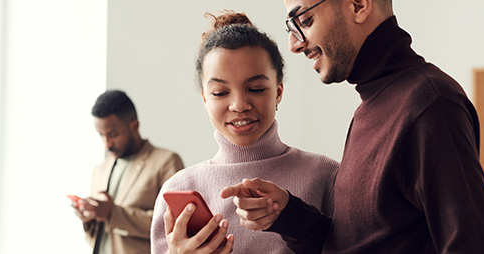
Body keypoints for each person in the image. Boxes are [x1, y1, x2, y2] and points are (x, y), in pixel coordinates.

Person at [220, 0, 484, 252]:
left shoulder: (430, 104)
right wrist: (286, 213)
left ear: (358, 4)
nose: (295, 44)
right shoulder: (370, 108)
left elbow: (476, 246)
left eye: (305, 21)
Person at [149, 11, 339, 254]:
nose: (239, 105)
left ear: (278, 91)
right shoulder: (179, 188)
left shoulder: (326, 176)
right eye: (220, 93)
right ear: (205, 99)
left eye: (256, 88)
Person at [71, 89, 185, 254]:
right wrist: (89, 218)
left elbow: (175, 225)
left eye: (113, 134)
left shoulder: (166, 161)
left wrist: (113, 213)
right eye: (101, 135)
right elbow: (100, 238)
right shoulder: (100, 170)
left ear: (134, 125)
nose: (107, 143)